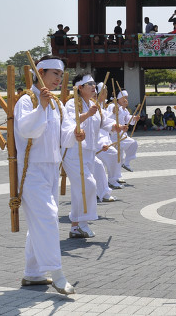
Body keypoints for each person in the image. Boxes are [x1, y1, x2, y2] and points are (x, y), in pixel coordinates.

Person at [14, 55, 77, 295]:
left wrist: (75, 135)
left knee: (40, 221)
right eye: (55, 75)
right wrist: (40, 106)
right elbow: (26, 130)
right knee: (48, 218)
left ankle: (33, 274)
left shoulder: (58, 104)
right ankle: (57, 274)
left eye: (60, 76)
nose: (59, 80)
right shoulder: (27, 100)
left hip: (51, 169)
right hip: (31, 170)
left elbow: (64, 134)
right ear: (39, 73)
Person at [63, 73, 117, 239]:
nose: (94, 87)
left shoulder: (94, 104)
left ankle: (75, 226)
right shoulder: (72, 103)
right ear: (80, 88)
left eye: (94, 84)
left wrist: (118, 126)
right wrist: (87, 114)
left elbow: (104, 123)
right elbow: (70, 122)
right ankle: (82, 223)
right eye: (90, 84)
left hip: (89, 153)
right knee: (89, 185)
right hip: (74, 152)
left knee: (81, 189)